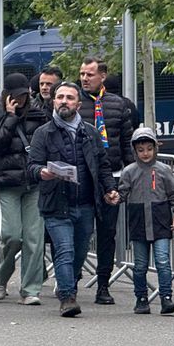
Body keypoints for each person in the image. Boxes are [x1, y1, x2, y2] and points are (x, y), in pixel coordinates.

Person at [27, 82, 119, 318]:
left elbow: (103, 164)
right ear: (53, 102)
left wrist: (110, 189)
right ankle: (67, 298)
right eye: (60, 97)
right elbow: (31, 167)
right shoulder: (43, 133)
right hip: (56, 204)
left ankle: (70, 286)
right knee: (64, 250)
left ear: (78, 104)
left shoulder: (90, 132)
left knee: (78, 253)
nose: (64, 101)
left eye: (69, 97)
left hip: (85, 204)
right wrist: (41, 172)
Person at [0, 73, 51, 305]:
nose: (22, 99)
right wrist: (11, 118)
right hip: (7, 182)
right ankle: (0, 276)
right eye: (17, 95)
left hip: (33, 182)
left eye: (25, 94)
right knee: (11, 235)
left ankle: (30, 289)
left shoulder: (39, 114)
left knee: (34, 238)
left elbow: (47, 143)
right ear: (8, 96)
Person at [77, 57, 138, 305]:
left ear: (102, 76)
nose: (84, 78)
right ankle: (70, 279)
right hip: (82, 177)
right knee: (80, 233)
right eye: (82, 74)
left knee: (107, 234)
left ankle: (103, 284)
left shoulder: (118, 105)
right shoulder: (75, 103)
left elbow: (126, 143)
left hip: (110, 177)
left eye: (89, 74)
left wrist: (130, 174)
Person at [118, 127, 174, 315]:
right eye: (141, 150)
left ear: (155, 148)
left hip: (160, 220)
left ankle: (166, 298)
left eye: (149, 149)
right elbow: (122, 193)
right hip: (138, 222)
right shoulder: (129, 172)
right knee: (140, 264)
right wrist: (113, 197)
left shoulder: (163, 170)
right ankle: (141, 298)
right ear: (135, 151)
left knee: (163, 261)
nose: (145, 153)